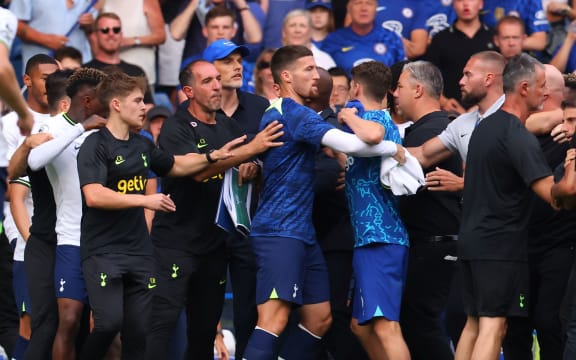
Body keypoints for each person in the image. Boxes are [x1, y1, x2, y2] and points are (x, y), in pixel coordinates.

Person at [77, 71, 277, 360]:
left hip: (145, 251)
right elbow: (94, 195)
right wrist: (145, 200)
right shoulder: (96, 144)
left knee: (142, 330)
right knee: (112, 324)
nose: (145, 106)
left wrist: (213, 156)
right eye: (138, 100)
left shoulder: (143, 144)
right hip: (108, 250)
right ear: (117, 105)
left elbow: (178, 165)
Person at [242, 45, 406, 360]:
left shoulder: (287, 111)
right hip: (279, 230)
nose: (316, 75)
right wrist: (393, 148)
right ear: (286, 76)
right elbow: (348, 143)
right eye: (308, 69)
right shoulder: (291, 111)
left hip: (302, 232)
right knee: (273, 319)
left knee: (320, 319)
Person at [145, 60, 284, 360]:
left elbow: (245, 169)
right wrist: (249, 150)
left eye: (217, 80)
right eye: (207, 81)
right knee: (162, 324)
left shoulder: (227, 125)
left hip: (215, 244)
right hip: (176, 243)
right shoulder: (175, 126)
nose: (217, 86)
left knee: (205, 329)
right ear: (188, 91)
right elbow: (196, 171)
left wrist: (251, 168)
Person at [455, 53, 555, 360]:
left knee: (474, 324)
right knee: (494, 327)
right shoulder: (516, 134)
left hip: (472, 242)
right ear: (524, 88)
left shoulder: (484, 127)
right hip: (499, 248)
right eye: (541, 86)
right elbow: (553, 194)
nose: (546, 92)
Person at [25, 68, 108, 360]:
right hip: (66, 237)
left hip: (104, 240)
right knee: (65, 321)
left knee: (106, 327)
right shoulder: (52, 126)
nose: (109, 102)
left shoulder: (108, 128)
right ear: (87, 100)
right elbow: (34, 160)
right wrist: (81, 128)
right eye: (103, 97)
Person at [502, 64, 576, 360]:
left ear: (554, 93)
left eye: (542, 85)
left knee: (550, 321)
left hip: (560, 244)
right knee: (516, 325)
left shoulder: (569, 131)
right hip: (520, 244)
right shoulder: (521, 129)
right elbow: (515, 126)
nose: (536, 90)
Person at [337, 61, 411, 360]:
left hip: (381, 239)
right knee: (360, 326)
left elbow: (373, 135)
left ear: (356, 87)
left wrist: (345, 115)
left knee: (385, 328)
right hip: (370, 240)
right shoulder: (369, 120)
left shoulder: (374, 118)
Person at [203, 39, 271, 359]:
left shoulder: (260, 108)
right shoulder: (195, 111)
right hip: (204, 225)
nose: (237, 66)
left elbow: (279, 160)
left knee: (248, 312)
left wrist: (257, 167)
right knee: (203, 310)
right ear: (207, 71)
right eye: (227, 61)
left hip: (250, 224)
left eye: (239, 60)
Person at [393, 60, 462, 360]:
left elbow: (396, 179)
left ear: (417, 89)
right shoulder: (435, 126)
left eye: (399, 87)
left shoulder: (432, 129)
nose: (395, 94)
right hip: (434, 245)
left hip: (434, 245)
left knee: (422, 324)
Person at [308, 67, 369, 360]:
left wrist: (347, 167)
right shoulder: (299, 123)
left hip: (339, 234)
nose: (334, 94)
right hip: (306, 231)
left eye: (340, 89)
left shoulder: (348, 127)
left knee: (336, 314)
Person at [425, 0, 496, 115]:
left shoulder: (494, 37)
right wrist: (444, 102)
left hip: (490, 111)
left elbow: (505, 76)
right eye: (460, 0)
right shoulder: (440, 39)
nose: (466, 4)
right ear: (453, 4)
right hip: (450, 113)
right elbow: (429, 77)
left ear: (481, 3)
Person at [83, 12, 154, 106]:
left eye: (116, 30)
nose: (111, 34)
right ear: (95, 35)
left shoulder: (137, 71)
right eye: (105, 30)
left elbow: (148, 106)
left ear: (121, 35)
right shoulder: (84, 72)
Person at [321, 0, 405, 75]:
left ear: (376, 7)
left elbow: (400, 75)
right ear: (348, 8)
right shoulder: (333, 40)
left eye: (369, 3)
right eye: (358, 3)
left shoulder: (391, 39)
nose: (364, 8)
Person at [102, 0, 167, 87]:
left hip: (141, 71)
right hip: (110, 73)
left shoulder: (147, 1)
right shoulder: (103, 2)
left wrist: (132, 41)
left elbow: (161, 36)